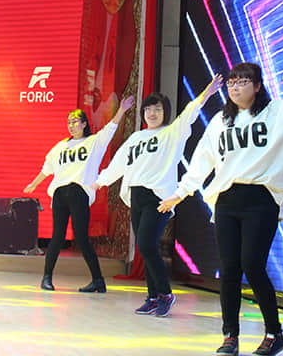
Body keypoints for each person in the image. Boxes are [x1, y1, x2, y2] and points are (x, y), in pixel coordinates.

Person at [158, 39, 283, 356]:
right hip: (226, 201)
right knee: (229, 269)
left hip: (261, 200)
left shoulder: (277, 111)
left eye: (243, 81)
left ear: (257, 86)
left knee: (253, 264)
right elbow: (201, 162)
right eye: (231, 83)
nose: (235, 87)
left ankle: (274, 333)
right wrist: (179, 194)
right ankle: (230, 336)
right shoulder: (220, 122)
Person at [91, 75, 221, 316]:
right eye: (148, 109)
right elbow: (119, 163)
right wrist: (101, 181)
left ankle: (165, 293)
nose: (152, 113)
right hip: (136, 197)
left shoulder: (172, 133)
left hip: (159, 198)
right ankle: (152, 297)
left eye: (157, 109)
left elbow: (189, 114)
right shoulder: (136, 138)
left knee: (147, 244)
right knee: (145, 247)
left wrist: (205, 95)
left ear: (165, 113)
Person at [23, 96, 134, 292]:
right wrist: (34, 183)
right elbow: (47, 169)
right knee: (57, 237)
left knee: (81, 238)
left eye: (75, 122)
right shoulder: (60, 146)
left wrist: (121, 110)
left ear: (84, 124)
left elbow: (110, 129)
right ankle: (47, 278)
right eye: (69, 122)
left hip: (79, 193)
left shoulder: (93, 142)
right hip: (59, 194)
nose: (71, 125)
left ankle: (98, 281)